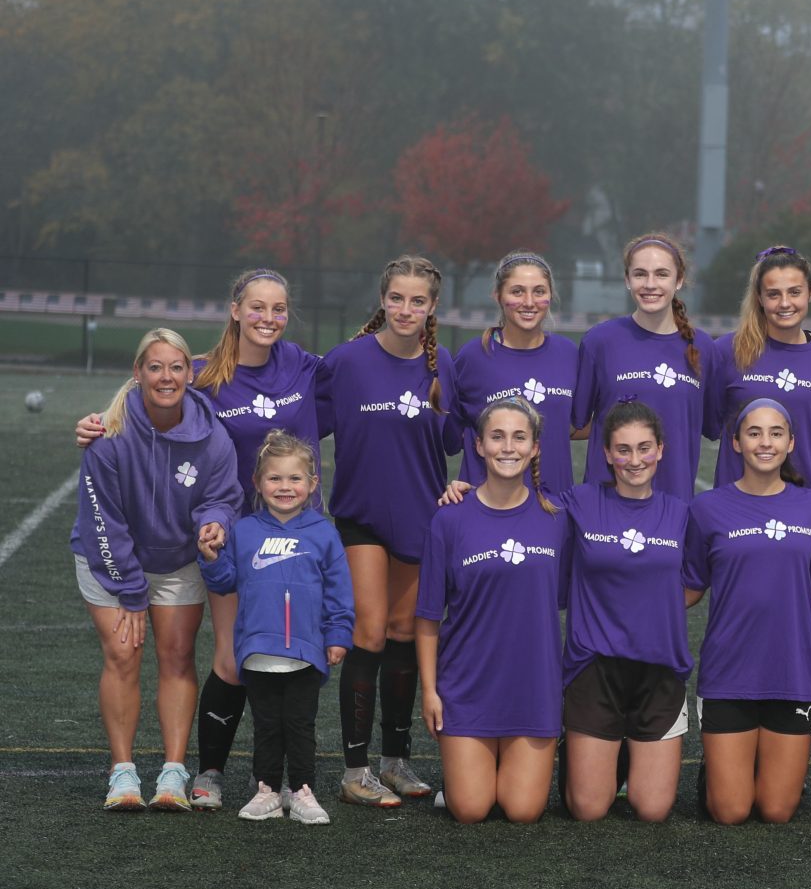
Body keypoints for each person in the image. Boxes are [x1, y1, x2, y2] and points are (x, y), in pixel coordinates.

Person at [74, 267, 324, 811]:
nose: (268, 318)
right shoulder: (207, 376)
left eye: (278, 308)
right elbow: (149, 388)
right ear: (234, 309)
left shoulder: (305, 368)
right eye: (256, 307)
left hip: (279, 539)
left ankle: (285, 780)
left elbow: (367, 388)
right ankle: (196, 772)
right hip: (220, 543)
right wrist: (97, 424)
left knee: (291, 656)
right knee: (229, 657)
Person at [73, 328, 239, 811]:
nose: (166, 377)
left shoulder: (213, 436)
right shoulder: (109, 435)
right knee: (124, 653)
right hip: (108, 558)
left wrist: (213, 524)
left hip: (177, 558)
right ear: (137, 373)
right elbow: (103, 521)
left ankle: (173, 772)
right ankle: (122, 772)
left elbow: (222, 496)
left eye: (176, 367)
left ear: (190, 373)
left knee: (176, 654)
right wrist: (129, 592)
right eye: (155, 367)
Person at [315, 256, 459, 807]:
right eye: (396, 298)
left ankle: (396, 761)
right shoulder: (347, 361)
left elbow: (453, 442)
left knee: (403, 633)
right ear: (382, 299)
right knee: (369, 633)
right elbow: (303, 411)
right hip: (362, 515)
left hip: (421, 515)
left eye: (417, 301)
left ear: (432, 307)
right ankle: (354, 771)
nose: (405, 309)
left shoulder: (441, 364)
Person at [416, 398, 566, 823]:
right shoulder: (449, 519)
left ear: (535, 447)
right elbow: (427, 617)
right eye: (497, 436)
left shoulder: (558, 517)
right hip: (467, 685)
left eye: (520, 437)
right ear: (478, 445)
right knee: (470, 809)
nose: (508, 447)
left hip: (533, 687)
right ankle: (468, 775)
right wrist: (430, 691)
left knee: (523, 811)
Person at [685, 399, 811, 824]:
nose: (764, 442)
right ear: (735, 443)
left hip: (792, 672)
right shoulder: (707, 508)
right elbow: (689, 589)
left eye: (775, 433)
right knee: (730, 812)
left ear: (790, 443)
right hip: (729, 671)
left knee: (776, 811)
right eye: (753, 433)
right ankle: (716, 779)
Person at [197, 431, 351, 825]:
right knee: (266, 725)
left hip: (305, 652)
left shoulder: (323, 533)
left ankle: (302, 790)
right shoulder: (244, 531)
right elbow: (224, 581)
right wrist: (212, 559)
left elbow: (338, 591)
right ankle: (266, 790)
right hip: (258, 650)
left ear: (313, 484)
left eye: (295, 479)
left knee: (299, 725)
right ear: (258, 483)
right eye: (275, 479)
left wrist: (337, 636)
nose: (285, 487)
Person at [559, 401, 692, 822]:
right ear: (606, 454)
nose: (634, 460)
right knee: (588, 809)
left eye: (643, 448)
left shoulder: (683, 514)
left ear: (661, 450)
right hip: (595, 666)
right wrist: (465, 490)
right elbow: (518, 506)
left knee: (652, 810)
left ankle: (618, 749)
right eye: (623, 449)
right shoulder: (579, 503)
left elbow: (696, 583)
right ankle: (589, 750)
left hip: (659, 669)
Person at [701, 246, 811, 499]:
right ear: (760, 298)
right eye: (773, 294)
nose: (785, 303)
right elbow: (708, 424)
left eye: (795, 292)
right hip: (739, 508)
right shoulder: (727, 351)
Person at [571, 232, 707, 501]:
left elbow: (711, 424)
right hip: (605, 506)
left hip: (674, 506)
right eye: (640, 274)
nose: (650, 284)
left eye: (661, 274)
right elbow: (577, 423)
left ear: (678, 280)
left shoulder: (704, 348)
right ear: (627, 279)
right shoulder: (600, 341)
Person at [449, 251, 579, 495]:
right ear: (498, 296)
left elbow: (577, 423)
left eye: (539, 291)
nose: (529, 302)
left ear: (551, 296)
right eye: (517, 291)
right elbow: (448, 434)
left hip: (552, 504)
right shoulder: (474, 356)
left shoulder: (568, 354)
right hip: (487, 508)